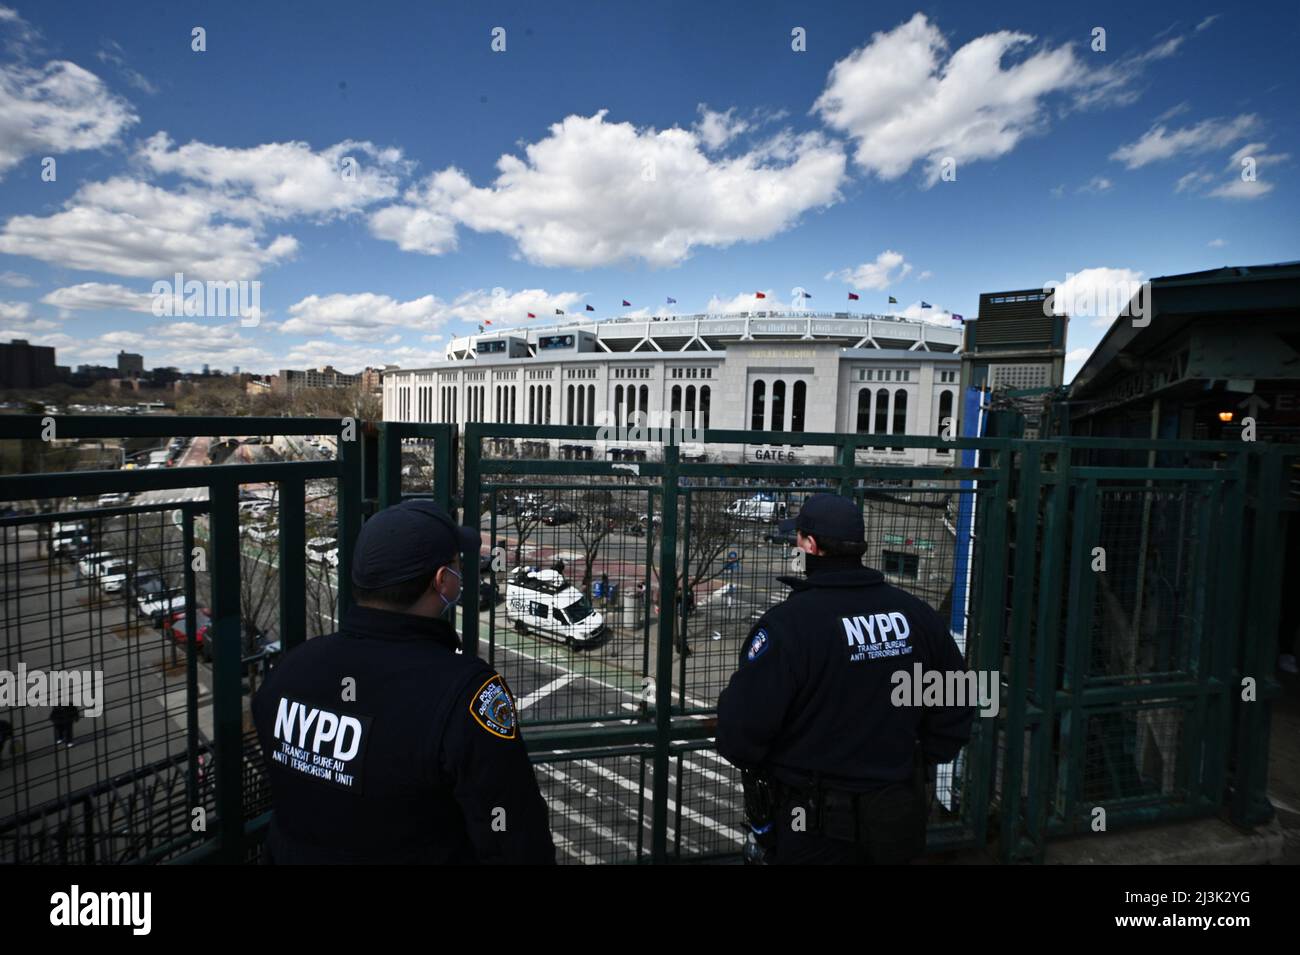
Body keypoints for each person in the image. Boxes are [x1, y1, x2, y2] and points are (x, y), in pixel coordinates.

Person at [252, 499, 556, 864]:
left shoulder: (290, 670)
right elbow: (516, 838)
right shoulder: (465, 693)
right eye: (458, 564)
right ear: (443, 581)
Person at [717, 493, 973, 865]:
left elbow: (739, 734)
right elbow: (958, 702)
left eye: (799, 538)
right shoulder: (917, 615)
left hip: (814, 826)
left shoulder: (790, 626)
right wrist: (913, 761)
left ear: (810, 544)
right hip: (897, 816)